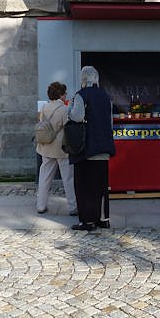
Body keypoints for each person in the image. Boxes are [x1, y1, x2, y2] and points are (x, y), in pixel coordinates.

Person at [68, 66, 116, 231]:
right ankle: (103, 219)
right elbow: (110, 122)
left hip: (87, 148)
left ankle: (88, 221)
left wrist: (69, 108)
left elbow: (77, 116)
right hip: (104, 147)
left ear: (83, 79)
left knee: (84, 186)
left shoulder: (81, 95)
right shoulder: (105, 96)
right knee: (101, 187)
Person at [36, 81, 77, 216]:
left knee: (44, 178)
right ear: (61, 94)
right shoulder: (64, 109)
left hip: (46, 147)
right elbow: (69, 127)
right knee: (68, 179)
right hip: (61, 149)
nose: (66, 95)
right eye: (65, 93)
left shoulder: (45, 108)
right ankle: (72, 207)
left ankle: (41, 205)